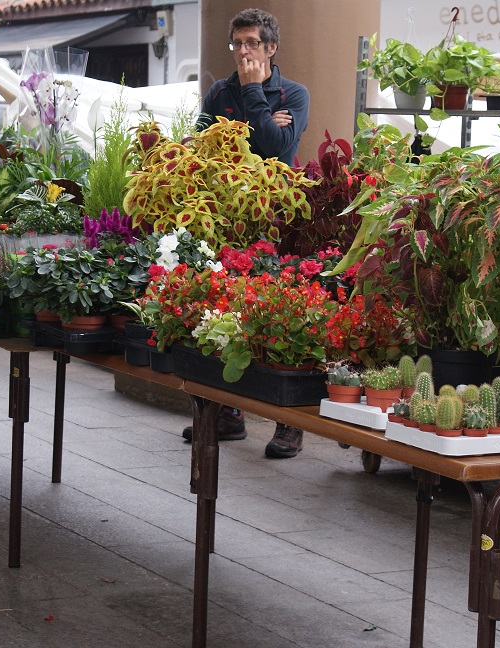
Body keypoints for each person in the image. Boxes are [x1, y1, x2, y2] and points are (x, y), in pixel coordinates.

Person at [183, 7, 310, 459]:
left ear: (271, 48)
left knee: (275, 314)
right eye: (236, 44)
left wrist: (256, 93)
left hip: (275, 218)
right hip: (227, 219)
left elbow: (278, 149)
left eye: (252, 43)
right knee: (221, 306)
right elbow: (201, 147)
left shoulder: (293, 94)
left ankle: (288, 423)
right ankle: (229, 413)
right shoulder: (219, 92)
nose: (242, 51)